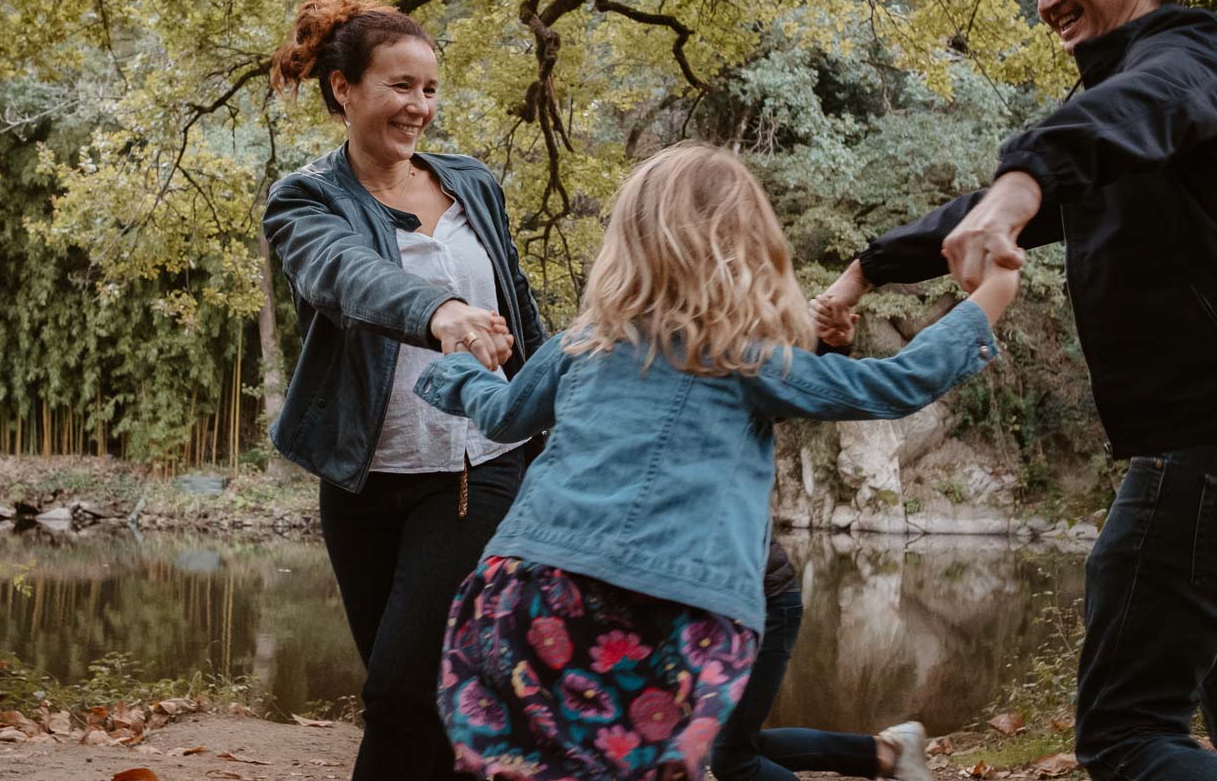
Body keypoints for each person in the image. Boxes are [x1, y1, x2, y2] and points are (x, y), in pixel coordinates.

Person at [414, 141, 1018, 780]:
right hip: (669, 607)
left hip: (529, 590)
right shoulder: (745, 361)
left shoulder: (582, 345)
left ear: (629, 241)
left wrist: (454, 369)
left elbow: (503, 414)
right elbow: (895, 384)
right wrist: (989, 298)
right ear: (751, 249)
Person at [812, 0, 1217, 781]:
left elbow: (1135, 110)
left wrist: (1023, 181)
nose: (1046, 1)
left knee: (1126, 735)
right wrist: (869, 266)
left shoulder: (1188, 58)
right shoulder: (1119, 121)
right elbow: (1029, 179)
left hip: (1198, 441)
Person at [263, 0, 547, 780]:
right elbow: (343, 276)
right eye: (400, 87)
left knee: (397, 694)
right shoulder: (307, 198)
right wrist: (441, 312)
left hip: (474, 469)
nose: (419, 107)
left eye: (428, 88)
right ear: (343, 89)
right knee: (424, 701)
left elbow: (520, 305)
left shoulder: (472, 185)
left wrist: (575, 399)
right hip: (363, 479)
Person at [708, 535, 930, 781]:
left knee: (732, 758)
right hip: (745, 604)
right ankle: (885, 753)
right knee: (734, 747)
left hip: (758, 606)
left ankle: (886, 753)